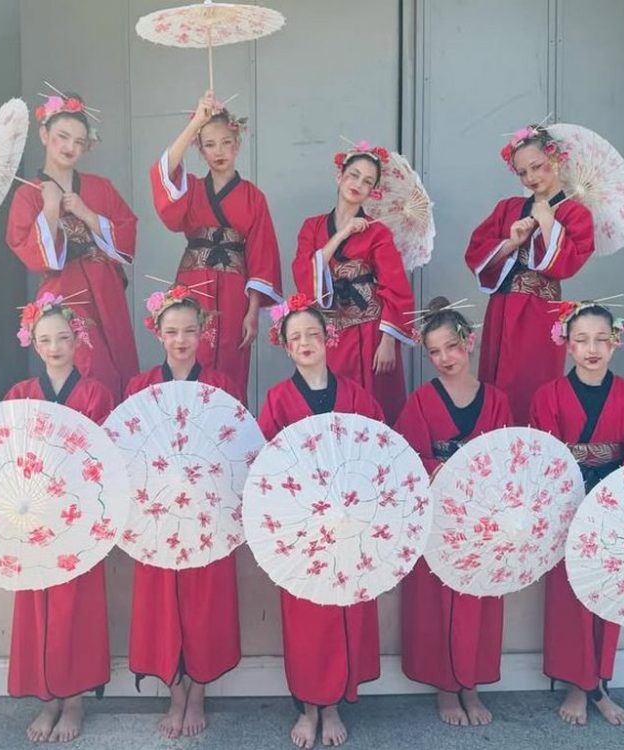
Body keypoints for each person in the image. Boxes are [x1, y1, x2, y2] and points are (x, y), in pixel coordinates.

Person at [257, 294, 383, 749]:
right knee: (307, 616)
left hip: (349, 522)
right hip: (302, 527)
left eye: (313, 333)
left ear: (329, 338)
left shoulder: (357, 396)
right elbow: (265, 463)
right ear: (285, 346)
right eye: (296, 337)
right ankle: (309, 706)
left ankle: (333, 705)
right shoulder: (277, 399)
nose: (305, 342)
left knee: (345, 607)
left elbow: (378, 451)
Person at [530, 301, 624, 726]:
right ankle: (577, 684)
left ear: (615, 342)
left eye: (601, 339)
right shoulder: (547, 397)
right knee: (570, 599)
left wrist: (613, 501)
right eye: (582, 339)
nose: (592, 349)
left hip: (616, 510)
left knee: (609, 595)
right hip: (567, 509)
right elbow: (545, 459)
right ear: (567, 344)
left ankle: (599, 683)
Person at [126, 287, 242, 738]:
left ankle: (197, 693)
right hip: (157, 511)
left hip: (206, 511)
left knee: (203, 602)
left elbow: (236, 449)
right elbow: (128, 451)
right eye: (172, 331)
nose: (180, 340)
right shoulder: (140, 387)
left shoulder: (221, 387)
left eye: (189, 331)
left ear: (202, 333)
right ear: (158, 333)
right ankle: (175, 694)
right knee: (162, 604)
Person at [393, 296, 512, 726]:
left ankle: (471, 686)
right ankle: (446, 689)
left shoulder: (496, 400)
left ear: (470, 343)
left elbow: (508, 457)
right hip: (439, 516)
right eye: (434, 352)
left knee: (478, 600)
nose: (445, 358)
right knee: (437, 602)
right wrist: (439, 468)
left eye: (452, 347)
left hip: (481, 517)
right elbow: (406, 456)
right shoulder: (420, 401)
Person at [3, 294, 116, 742]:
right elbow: (6, 453)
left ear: (77, 340)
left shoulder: (96, 393)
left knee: (76, 608)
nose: (55, 347)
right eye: (45, 339)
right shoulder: (19, 395)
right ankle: (46, 697)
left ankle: (74, 700)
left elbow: (101, 457)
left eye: (64, 338)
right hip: (32, 516)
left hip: (78, 515)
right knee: (37, 607)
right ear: (33, 343)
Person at [149, 89, 282, 401]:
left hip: (236, 291)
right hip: (193, 284)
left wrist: (252, 312)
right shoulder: (192, 189)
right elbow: (163, 173)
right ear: (200, 149)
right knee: (188, 351)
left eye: (225, 143)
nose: (219, 151)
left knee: (231, 363)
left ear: (237, 145)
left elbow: (261, 256)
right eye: (209, 144)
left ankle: (228, 425)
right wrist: (196, 122)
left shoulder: (253, 197)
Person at [7, 93, 139, 401]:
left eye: (79, 142)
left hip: (105, 287)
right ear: (44, 135)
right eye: (62, 137)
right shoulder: (28, 194)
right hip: (63, 291)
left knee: (118, 361)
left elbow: (127, 233)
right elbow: (30, 253)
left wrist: (86, 213)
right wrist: (50, 208)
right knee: (86, 364)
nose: (70, 147)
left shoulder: (100, 187)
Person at [464, 124, 595, 422]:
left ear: (555, 159)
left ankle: (532, 444)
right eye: (523, 173)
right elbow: (475, 252)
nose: (531, 178)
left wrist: (548, 223)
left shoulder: (576, 214)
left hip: (539, 311)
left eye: (537, 167)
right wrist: (512, 242)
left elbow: (569, 263)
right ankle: (494, 440)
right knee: (494, 379)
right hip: (501, 306)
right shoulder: (508, 208)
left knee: (531, 383)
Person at [293, 141, 415, 423]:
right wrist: (342, 234)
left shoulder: (378, 232)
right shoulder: (312, 227)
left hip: (370, 332)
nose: (358, 184)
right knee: (331, 405)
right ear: (340, 176)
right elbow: (304, 274)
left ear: (373, 191)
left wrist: (388, 341)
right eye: (354, 175)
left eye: (368, 181)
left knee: (374, 406)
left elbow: (396, 288)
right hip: (330, 332)